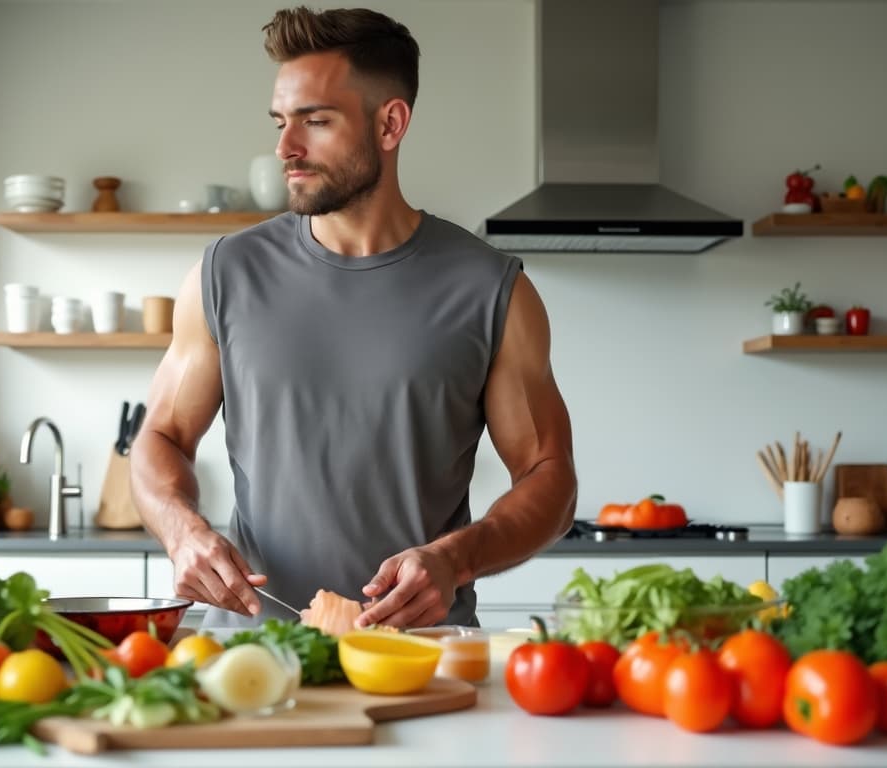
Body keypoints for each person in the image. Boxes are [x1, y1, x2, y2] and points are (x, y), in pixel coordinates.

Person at [131, 6, 576, 631]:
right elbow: (160, 438)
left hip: (422, 654)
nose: (286, 147)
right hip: (259, 656)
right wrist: (182, 530)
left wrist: (455, 558)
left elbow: (548, 477)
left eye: (315, 121)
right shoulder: (224, 275)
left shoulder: (491, 289)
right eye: (282, 122)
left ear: (390, 123)